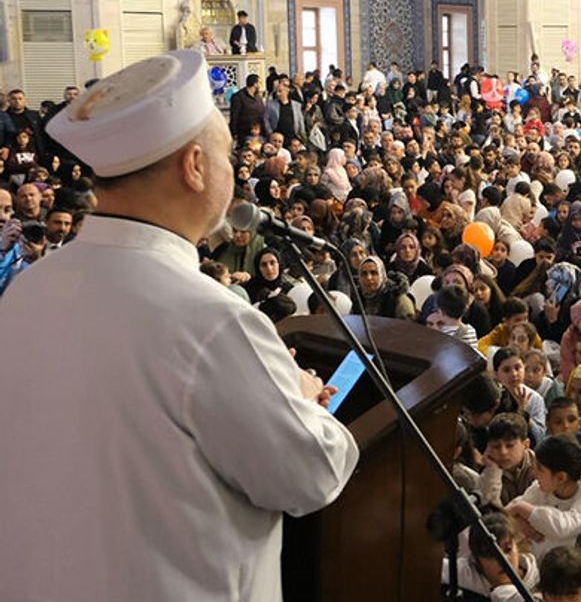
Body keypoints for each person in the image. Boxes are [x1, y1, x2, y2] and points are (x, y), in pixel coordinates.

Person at [0, 50, 359, 599]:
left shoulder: (28, 291)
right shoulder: (213, 321)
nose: (233, 168)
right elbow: (312, 475)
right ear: (194, 166)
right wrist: (303, 398)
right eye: (226, 152)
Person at [505, 434, 581, 560]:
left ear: (561, 477)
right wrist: (521, 524)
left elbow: (564, 528)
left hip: (580, 567)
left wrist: (522, 508)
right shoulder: (540, 488)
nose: (534, 474)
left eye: (540, 469)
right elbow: (507, 514)